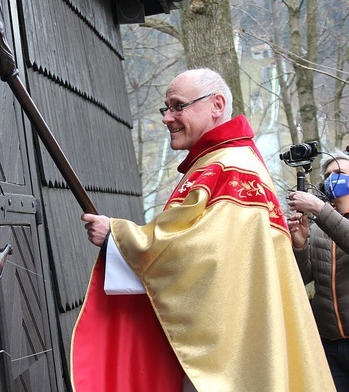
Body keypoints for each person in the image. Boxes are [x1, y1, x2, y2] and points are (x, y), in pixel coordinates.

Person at [71, 68, 334, 391]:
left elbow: (208, 255)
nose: (168, 118)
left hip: (231, 353)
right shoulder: (217, 162)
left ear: (217, 104)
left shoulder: (231, 165)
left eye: (178, 105)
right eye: (165, 108)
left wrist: (118, 236)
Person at [288, 150, 349, 390]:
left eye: (340, 173)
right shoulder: (319, 227)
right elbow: (303, 277)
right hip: (329, 346)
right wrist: (300, 243)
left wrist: (320, 210)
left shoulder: (323, 218)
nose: (333, 178)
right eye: (329, 175)